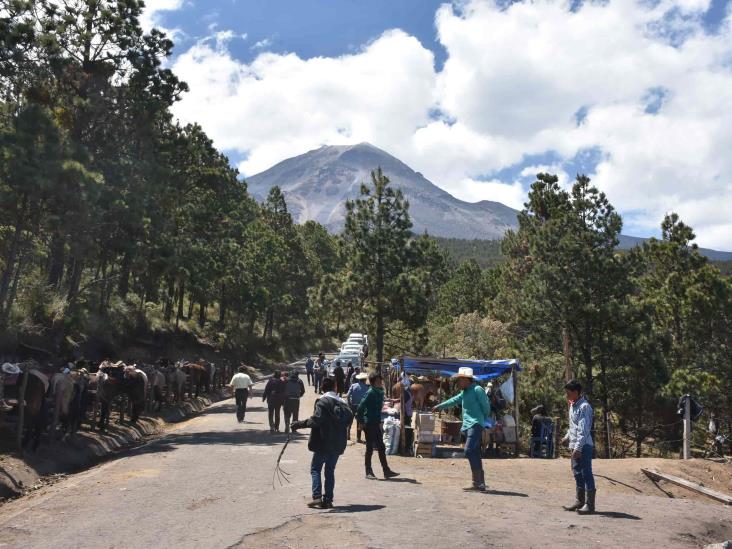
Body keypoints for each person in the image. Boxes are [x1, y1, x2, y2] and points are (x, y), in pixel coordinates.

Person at [291, 378, 353, 509]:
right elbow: (349, 420)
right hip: (338, 444)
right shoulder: (343, 403)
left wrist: (298, 424)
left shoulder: (322, 402)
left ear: (322, 388)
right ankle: (328, 500)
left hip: (323, 443)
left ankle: (317, 497)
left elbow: (316, 421)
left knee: (315, 469)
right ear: (335, 387)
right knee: (330, 471)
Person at [432, 367, 490, 491]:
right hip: (467, 425)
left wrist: (482, 418)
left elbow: (486, 406)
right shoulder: (464, 392)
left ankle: (477, 482)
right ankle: (479, 484)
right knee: (474, 452)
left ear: (466, 379)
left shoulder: (477, 389)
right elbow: (453, 400)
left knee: (468, 450)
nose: (458, 383)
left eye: (460, 380)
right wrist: (439, 406)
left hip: (476, 424)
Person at [561, 379, 596, 515]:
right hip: (574, 445)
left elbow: (584, 430)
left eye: (568, 392)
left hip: (584, 446)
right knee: (577, 473)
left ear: (576, 392)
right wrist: (567, 436)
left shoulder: (585, 407)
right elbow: (574, 427)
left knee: (586, 473)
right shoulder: (573, 406)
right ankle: (579, 501)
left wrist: (579, 448)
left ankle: (589, 504)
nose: (567, 395)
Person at [357, 372, 399, 480]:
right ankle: (368, 471)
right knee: (370, 448)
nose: (381, 383)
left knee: (381, 447)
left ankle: (386, 471)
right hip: (369, 423)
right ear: (373, 383)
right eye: (378, 381)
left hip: (375, 422)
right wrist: (361, 422)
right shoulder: (371, 392)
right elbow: (360, 407)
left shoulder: (379, 392)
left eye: (381, 381)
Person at [346, 372, 369, 442]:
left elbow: (347, 395)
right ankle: (358, 438)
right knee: (359, 422)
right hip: (361, 407)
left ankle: (348, 434)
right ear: (365, 380)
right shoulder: (367, 387)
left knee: (350, 420)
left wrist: (350, 403)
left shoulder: (353, 385)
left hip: (353, 405)